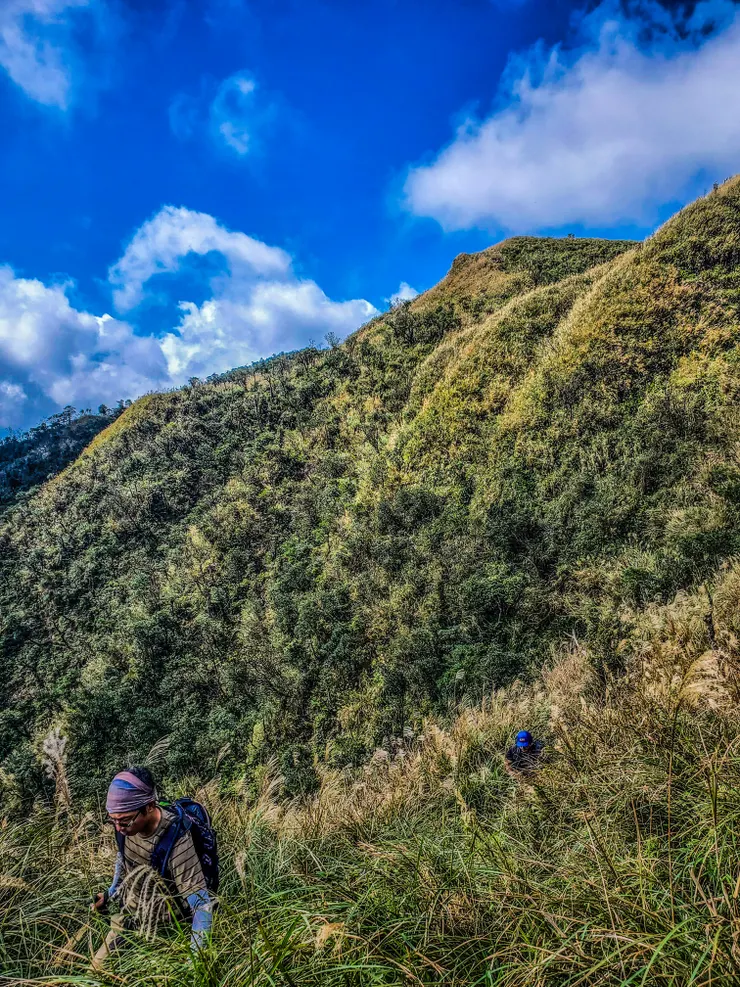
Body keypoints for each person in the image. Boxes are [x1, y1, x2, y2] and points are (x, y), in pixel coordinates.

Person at [90, 766, 213, 970]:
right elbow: (123, 859)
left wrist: (193, 968)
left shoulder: (176, 841)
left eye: (125, 821)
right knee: (94, 974)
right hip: (128, 915)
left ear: (149, 807)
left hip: (165, 931)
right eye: (113, 820)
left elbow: (202, 906)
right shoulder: (124, 827)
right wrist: (111, 892)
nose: (119, 828)